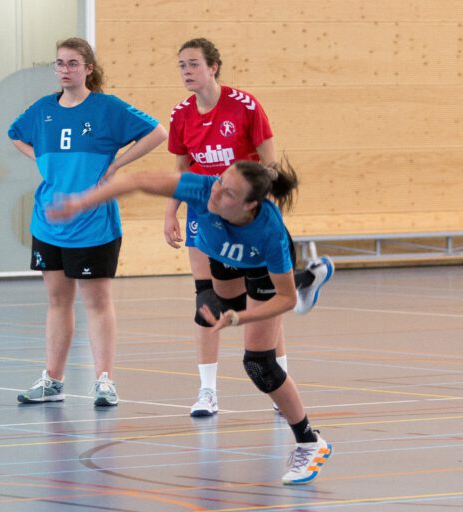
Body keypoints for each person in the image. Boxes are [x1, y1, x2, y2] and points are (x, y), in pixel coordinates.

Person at [48, 159, 333, 484]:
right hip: (223, 254)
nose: (217, 192)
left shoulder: (269, 233)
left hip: (259, 265)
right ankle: (304, 279)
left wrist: (240, 318)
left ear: (250, 205)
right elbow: (138, 179)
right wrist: (80, 203)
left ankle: (310, 441)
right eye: (219, 182)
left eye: (229, 193)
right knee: (217, 303)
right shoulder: (203, 189)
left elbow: (286, 301)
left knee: (258, 364)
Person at [164, 38, 332, 416]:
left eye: (193, 64)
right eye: (181, 66)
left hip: (246, 218)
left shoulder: (244, 106)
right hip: (204, 216)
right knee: (206, 302)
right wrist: (170, 212)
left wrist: (262, 216)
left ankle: (280, 383)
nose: (186, 72)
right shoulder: (181, 115)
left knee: (264, 300)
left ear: (213, 67)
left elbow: (270, 164)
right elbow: (180, 169)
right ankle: (207, 392)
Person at [8, 37, 167, 407]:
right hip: (49, 221)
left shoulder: (106, 108)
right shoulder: (43, 109)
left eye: (73, 63)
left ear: (88, 69)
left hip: (94, 222)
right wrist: (43, 160)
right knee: (57, 301)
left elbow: (158, 132)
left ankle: (104, 380)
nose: (65, 70)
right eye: (60, 63)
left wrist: (117, 164)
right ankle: (52, 380)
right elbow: (15, 134)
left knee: (96, 301)